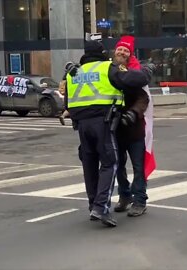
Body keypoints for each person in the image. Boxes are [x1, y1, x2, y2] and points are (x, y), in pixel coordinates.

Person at [65, 40, 152, 227]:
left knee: (89, 165)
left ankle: (95, 205)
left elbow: (67, 102)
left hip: (83, 125)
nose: (121, 52)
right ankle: (101, 207)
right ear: (105, 52)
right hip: (104, 123)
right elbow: (137, 80)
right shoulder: (108, 68)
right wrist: (146, 72)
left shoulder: (75, 72)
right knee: (110, 163)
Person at [111, 36, 151, 217]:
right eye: (120, 49)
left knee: (137, 167)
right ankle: (124, 196)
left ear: (130, 55)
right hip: (115, 129)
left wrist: (133, 113)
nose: (121, 52)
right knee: (118, 166)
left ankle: (140, 200)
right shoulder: (109, 70)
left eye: (125, 51)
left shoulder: (135, 74)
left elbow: (143, 98)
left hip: (134, 129)